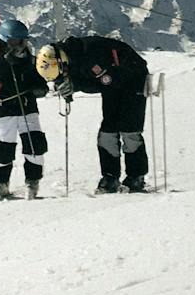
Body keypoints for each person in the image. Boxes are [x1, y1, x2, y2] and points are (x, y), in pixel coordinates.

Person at [37, 34, 150, 192]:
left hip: (132, 79)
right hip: (113, 83)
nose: (61, 77)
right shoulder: (71, 56)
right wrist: (69, 84)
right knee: (107, 132)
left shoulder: (91, 56)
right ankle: (110, 177)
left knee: (130, 130)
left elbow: (105, 82)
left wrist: (75, 85)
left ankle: (136, 177)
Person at [0, 16, 49, 199]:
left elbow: (41, 81)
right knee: (2, 149)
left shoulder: (32, 61)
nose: (18, 45)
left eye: (21, 41)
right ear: (4, 41)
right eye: (13, 41)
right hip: (3, 110)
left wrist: (40, 89)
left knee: (35, 146)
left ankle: (33, 183)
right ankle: (0, 185)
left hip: (27, 108)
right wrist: (1, 61)